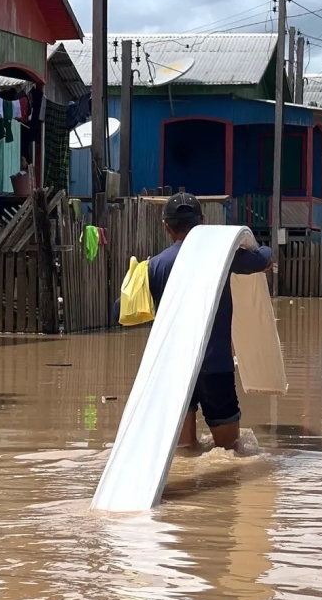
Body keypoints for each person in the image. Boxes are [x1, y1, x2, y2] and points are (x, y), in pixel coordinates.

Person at [114, 192, 272, 452]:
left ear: (166, 225)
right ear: (202, 221)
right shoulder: (222, 258)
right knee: (232, 451)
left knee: (184, 452)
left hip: (173, 371)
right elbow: (264, 259)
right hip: (215, 369)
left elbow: (119, 311)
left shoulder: (153, 266)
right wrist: (255, 247)